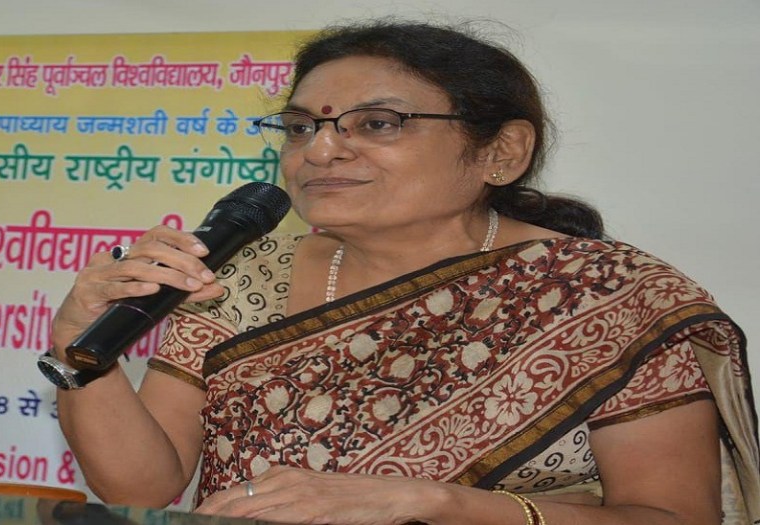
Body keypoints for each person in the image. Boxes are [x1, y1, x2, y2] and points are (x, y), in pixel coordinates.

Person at [47, 20, 759, 525]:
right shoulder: (240, 279)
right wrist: (79, 346)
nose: (320, 150)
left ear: (501, 152)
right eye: (300, 127)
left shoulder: (609, 294)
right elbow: (141, 487)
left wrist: (429, 502)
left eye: (377, 124)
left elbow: (672, 518)